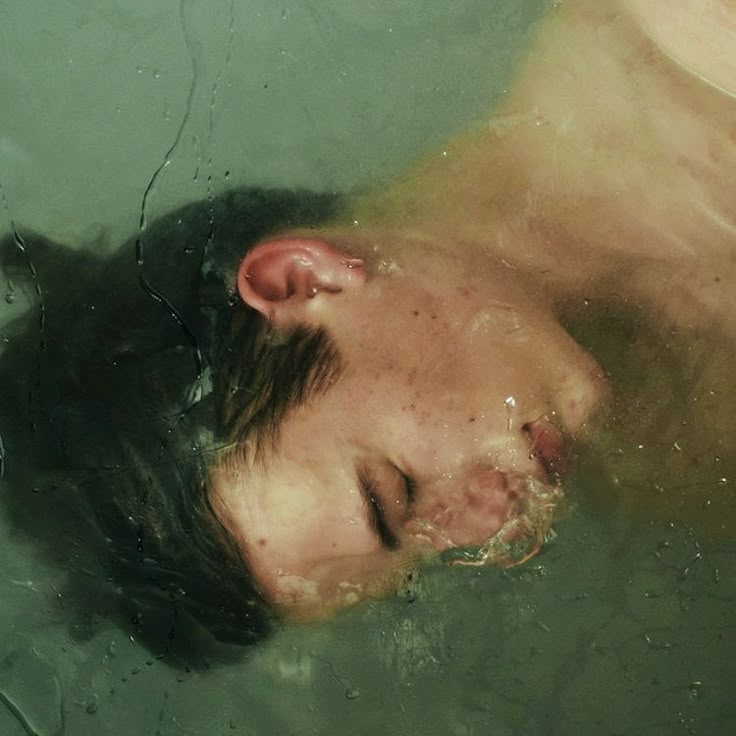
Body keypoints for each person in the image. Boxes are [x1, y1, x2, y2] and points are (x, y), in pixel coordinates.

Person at [1, 0, 734, 663]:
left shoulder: (690, 36)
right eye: (428, 556)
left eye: (392, 493)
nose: (488, 529)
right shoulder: (669, 456)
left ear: (303, 279)